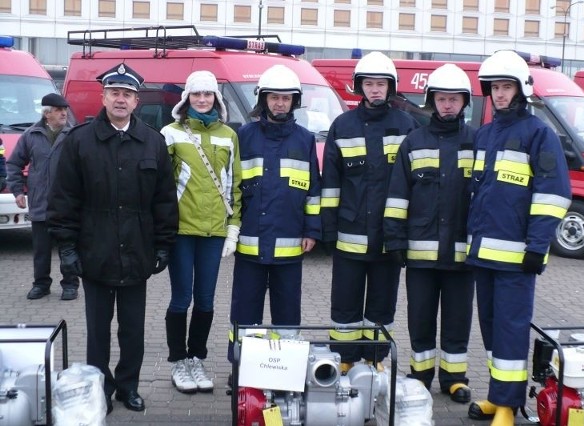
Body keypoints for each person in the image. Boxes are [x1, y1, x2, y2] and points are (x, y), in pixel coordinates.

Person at [46, 63, 178, 415]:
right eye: (114, 93)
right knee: (97, 331)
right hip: (95, 251)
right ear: (103, 97)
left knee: (133, 329)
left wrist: (164, 244)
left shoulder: (153, 141)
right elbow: (64, 199)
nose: (121, 99)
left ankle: (128, 387)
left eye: (128, 94)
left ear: (137, 101)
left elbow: (165, 199)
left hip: (137, 250)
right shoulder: (79, 142)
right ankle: (98, 388)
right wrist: (68, 248)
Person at [465, 50, 571, 425]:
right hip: (483, 255)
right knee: (491, 329)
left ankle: (509, 406)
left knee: (511, 332)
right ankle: (498, 394)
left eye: (506, 87)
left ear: (521, 90)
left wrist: (537, 247)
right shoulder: (485, 134)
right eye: (495, 87)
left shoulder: (539, 134)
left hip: (516, 259)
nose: (500, 94)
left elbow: (553, 195)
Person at [321, 51, 419, 373]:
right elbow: (331, 183)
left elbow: (413, 184)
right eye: (369, 83)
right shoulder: (342, 125)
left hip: (388, 236)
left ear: (390, 88)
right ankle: (346, 358)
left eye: (381, 84)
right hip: (349, 234)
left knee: (381, 301)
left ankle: (375, 358)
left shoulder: (407, 126)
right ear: (358, 87)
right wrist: (327, 229)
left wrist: (404, 233)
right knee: (345, 301)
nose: (375, 89)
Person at [383, 64, 475, 402]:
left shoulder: (476, 142)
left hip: (462, 254)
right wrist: (394, 238)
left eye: (454, 99)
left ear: (464, 103)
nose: (447, 105)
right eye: (442, 99)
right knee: (420, 317)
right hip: (420, 253)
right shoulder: (414, 142)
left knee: (457, 319)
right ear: (431, 101)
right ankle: (420, 374)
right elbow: (397, 196)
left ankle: (455, 377)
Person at [226, 64, 321, 373]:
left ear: (295, 102)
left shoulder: (304, 140)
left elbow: (314, 192)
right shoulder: (245, 135)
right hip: (251, 246)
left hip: (290, 247)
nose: (280, 103)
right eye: (274, 98)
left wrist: (312, 230)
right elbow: (234, 188)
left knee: (287, 314)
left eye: (286, 98)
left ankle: (287, 371)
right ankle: (242, 372)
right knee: (245, 313)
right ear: (263, 99)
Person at [160, 70, 242, 394]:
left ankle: (197, 358)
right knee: (181, 298)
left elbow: (235, 184)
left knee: (206, 301)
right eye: (197, 94)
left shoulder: (229, 136)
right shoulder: (170, 133)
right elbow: (161, 187)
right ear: (187, 98)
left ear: (217, 99)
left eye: (208, 94)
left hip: (214, 232)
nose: (203, 99)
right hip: (182, 230)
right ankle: (178, 361)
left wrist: (233, 227)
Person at [6, 93, 80, 301]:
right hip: (40, 203)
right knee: (41, 251)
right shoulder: (31, 135)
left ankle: (70, 285)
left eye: (65, 109)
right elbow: (13, 164)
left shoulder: (73, 135)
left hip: (67, 204)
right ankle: (41, 285)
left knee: (68, 248)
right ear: (47, 114)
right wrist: (18, 190)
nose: (63, 113)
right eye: (58, 110)